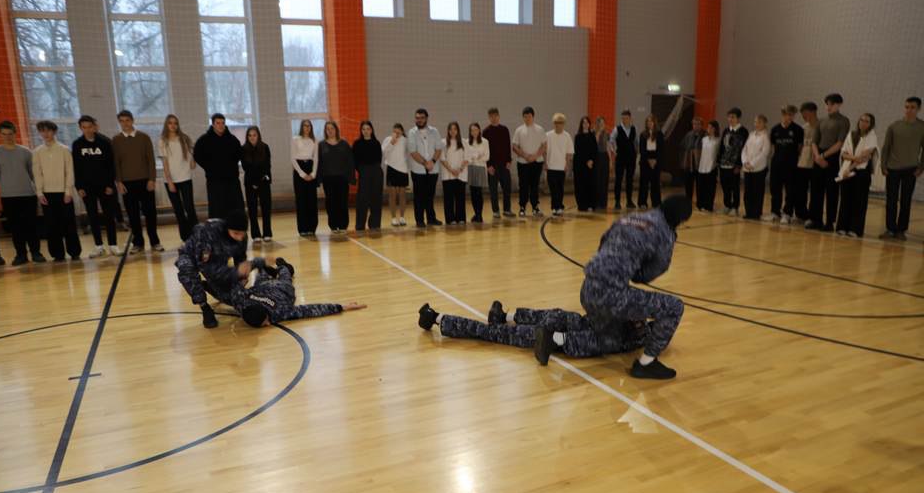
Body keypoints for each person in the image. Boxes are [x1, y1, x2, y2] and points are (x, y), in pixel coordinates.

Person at [579, 195, 692, 379]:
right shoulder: (665, 232)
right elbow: (652, 271)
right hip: (611, 296)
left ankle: (554, 338)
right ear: (680, 220)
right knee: (674, 307)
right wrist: (633, 272)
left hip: (588, 288)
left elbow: (604, 242)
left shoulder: (632, 217)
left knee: (611, 340)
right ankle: (646, 364)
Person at [418, 300, 648, 365]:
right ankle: (505, 316)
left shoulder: (619, 338)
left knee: (491, 332)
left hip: (553, 338)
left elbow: (585, 343)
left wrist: (553, 340)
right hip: (574, 323)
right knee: (553, 314)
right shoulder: (636, 327)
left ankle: (436, 318)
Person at [235, 256, 366, 327]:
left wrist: (342, 307)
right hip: (266, 287)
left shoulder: (279, 312)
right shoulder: (242, 301)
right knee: (268, 273)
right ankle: (281, 267)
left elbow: (310, 310)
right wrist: (241, 284)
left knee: (284, 275)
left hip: (281, 288)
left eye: (266, 321)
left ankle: (282, 267)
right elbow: (234, 291)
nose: (268, 324)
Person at [175, 211, 249, 328]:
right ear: (227, 229)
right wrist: (228, 275)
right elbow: (206, 266)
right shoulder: (208, 232)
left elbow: (240, 258)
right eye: (236, 233)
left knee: (229, 297)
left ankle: (209, 287)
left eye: (242, 234)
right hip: (192, 255)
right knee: (187, 273)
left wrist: (241, 278)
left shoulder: (241, 237)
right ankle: (205, 307)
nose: (240, 238)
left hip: (217, 260)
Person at [0, 121, 44, 265]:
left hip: (28, 194)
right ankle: (20, 255)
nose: (7, 137)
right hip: (8, 196)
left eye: (10, 134)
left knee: (31, 226)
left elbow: (32, 173)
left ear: (15, 133)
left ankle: (36, 253)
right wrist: (8, 185)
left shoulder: (26, 152)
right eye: (4, 134)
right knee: (15, 228)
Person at [112, 110, 163, 254]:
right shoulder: (116, 140)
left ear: (132, 120)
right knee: (133, 215)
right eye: (122, 121)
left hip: (145, 181)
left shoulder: (144, 137)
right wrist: (119, 182)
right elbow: (116, 163)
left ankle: (155, 241)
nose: (125, 123)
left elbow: (150, 160)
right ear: (119, 122)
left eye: (127, 120)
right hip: (127, 183)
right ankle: (138, 243)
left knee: (150, 213)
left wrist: (152, 179)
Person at [33, 120, 81, 261]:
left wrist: (68, 191)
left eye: (48, 130)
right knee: (51, 225)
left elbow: (70, 171)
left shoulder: (64, 149)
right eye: (42, 131)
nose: (45, 133)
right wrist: (39, 193)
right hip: (46, 194)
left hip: (64, 193)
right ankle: (57, 254)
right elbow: (37, 173)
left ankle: (74, 251)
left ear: (54, 131)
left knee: (69, 224)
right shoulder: (37, 152)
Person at [72, 115, 119, 257]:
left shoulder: (105, 142)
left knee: (109, 216)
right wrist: (79, 187)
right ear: (80, 128)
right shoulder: (77, 144)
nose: (87, 130)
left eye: (89, 127)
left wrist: (110, 184)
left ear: (94, 127)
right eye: (84, 127)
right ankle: (98, 246)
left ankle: (113, 245)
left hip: (105, 186)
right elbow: (76, 167)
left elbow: (111, 165)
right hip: (87, 188)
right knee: (92, 217)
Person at [879, 97, 924, 241]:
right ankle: (890, 229)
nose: (909, 110)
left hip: (911, 169)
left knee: (906, 201)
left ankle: (901, 230)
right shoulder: (894, 126)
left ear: (919, 109)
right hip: (892, 169)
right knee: (891, 200)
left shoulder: (922, 127)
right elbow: (886, 147)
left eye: (912, 107)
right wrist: (883, 165)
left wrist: (921, 167)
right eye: (907, 107)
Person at [807, 93, 850, 231]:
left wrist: (823, 156)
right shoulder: (821, 121)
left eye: (832, 104)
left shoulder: (843, 121)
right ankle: (815, 219)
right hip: (818, 156)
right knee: (816, 190)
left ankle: (830, 222)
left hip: (833, 157)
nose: (828, 107)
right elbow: (814, 141)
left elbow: (840, 143)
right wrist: (817, 156)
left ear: (839, 105)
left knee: (831, 191)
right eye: (827, 104)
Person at [194, 113, 245, 219]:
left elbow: (239, 155)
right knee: (217, 209)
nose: (221, 125)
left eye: (223, 123)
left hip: (232, 180)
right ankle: (217, 228)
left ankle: (234, 228)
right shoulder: (204, 140)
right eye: (218, 123)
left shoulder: (232, 139)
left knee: (235, 207)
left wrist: (230, 166)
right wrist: (209, 167)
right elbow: (197, 156)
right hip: (215, 181)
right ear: (213, 124)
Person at [836, 113, 878, 238]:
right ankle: (842, 227)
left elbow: (865, 156)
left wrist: (850, 167)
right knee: (845, 199)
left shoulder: (872, 137)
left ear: (871, 124)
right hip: (847, 170)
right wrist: (853, 160)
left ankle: (855, 229)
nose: (863, 123)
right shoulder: (851, 134)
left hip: (862, 172)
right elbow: (843, 153)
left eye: (867, 121)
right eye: (862, 120)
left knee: (859, 201)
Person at [159, 114, 199, 241]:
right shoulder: (162, 141)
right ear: (166, 125)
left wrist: (193, 157)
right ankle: (185, 238)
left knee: (190, 209)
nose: (173, 125)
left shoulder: (184, 139)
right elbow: (165, 164)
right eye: (170, 123)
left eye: (175, 123)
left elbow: (192, 165)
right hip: (171, 181)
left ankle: (197, 236)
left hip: (185, 178)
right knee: (179, 211)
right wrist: (170, 182)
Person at [407, 108, 443, 227]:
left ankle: (431, 219)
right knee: (419, 197)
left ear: (426, 118)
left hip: (433, 168)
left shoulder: (435, 131)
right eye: (417, 118)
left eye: (422, 118)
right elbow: (413, 151)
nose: (419, 120)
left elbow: (438, 148)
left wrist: (432, 161)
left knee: (430, 196)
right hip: (418, 170)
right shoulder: (411, 133)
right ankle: (420, 220)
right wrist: (425, 163)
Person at [317, 121, 354, 234]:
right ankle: (333, 225)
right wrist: (319, 180)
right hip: (328, 179)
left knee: (342, 202)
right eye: (327, 129)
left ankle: (343, 225)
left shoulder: (344, 144)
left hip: (342, 179)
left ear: (336, 130)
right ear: (325, 131)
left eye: (332, 128)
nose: (330, 131)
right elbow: (319, 163)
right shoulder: (321, 145)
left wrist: (351, 178)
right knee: (331, 203)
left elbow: (350, 161)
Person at [769, 105, 805, 224]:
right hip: (776, 164)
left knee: (790, 190)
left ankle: (787, 213)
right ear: (783, 114)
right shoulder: (775, 129)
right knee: (775, 189)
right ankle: (775, 212)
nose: (790, 117)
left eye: (792, 115)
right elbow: (773, 147)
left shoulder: (798, 130)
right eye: (788, 115)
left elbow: (800, 148)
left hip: (791, 165)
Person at [512, 106, 547, 217]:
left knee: (535, 185)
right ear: (523, 117)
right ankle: (522, 207)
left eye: (529, 116)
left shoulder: (540, 129)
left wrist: (535, 156)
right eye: (525, 116)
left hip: (537, 162)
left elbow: (544, 146)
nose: (527, 118)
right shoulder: (519, 130)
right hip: (523, 163)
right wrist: (525, 155)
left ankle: (535, 207)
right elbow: (514, 146)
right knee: (523, 185)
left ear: (533, 116)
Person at [242, 126, 272, 242]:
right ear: (247, 137)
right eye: (250, 135)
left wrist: (260, 180)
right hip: (250, 184)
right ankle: (256, 235)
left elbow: (267, 166)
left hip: (263, 182)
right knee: (252, 209)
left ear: (258, 135)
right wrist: (254, 182)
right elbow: (246, 167)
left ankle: (267, 233)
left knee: (266, 208)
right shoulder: (243, 149)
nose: (252, 137)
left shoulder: (265, 147)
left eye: (254, 135)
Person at [482, 107, 514, 218]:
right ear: (489, 117)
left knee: (507, 188)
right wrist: (488, 165)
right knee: (493, 190)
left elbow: (508, 146)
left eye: (495, 116)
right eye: (491, 116)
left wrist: (509, 160)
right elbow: (484, 150)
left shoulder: (504, 129)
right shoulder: (486, 132)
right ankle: (495, 211)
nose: (493, 118)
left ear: (498, 116)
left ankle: (507, 210)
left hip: (504, 165)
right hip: (492, 166)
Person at [791, 102, 819, 224]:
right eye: (802, 114)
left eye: (806, 114)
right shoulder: (803, 128)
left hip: (814, 163)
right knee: (800, 190)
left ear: (813, 112)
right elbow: (799, 146)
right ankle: (800, 214)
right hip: (802, 163)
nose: (804, 116)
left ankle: (812, 216)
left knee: (815, 192)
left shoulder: (820, 126)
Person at [353, 120, 383, 232]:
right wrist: (362, 171)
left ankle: (374, 224)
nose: (366, 131)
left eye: (368, 129)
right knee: (362, 200)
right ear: (361, 131)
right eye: (363, 129)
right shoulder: (357, 144)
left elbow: (379, 159)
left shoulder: (376, 143)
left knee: (376, 199)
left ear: (371, 130)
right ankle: (360, 225)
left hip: (376, 173)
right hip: (364, 173)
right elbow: (354, 161)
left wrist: (373, 170)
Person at [717, 107, 748, 215]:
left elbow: (744, 149)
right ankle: (727, 205)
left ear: (738, 118)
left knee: (734, 186)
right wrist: (719, 160)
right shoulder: (726, 130)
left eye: (733, 117)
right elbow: (722, 146)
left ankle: (735, 207)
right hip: (724, 163)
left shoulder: (743, 131)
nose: (730, 119)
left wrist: (739, 164)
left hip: (734, 165)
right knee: (725, 186)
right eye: (729, 117)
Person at [291, 119, 318, 236]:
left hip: (310, 169)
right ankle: (302, 228)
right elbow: (292, 158)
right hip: (299, 170)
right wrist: (302, 174)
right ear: (301, 127)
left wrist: (313, 174)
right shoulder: (295, 139)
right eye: (305, 126)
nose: (307, 128)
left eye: (309, 126)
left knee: (311, 201)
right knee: (301, 201)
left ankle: (312, 228)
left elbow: (316, 158)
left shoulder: (314, 140)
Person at [741, 114, 771, 220]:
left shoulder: (765, 136)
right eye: (755, 122)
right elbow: (744, 149)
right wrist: (745, 162)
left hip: (759, 169)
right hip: (747, 168)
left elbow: (764, 153)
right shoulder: (751, 134)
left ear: (764, 123)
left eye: (759, 122)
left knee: (757, 192)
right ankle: (748, 212)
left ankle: (756, 213)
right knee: (748, 192)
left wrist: (752, 164)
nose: (756, 124)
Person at [545, 113, 574, 216]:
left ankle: (560, 206)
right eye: (556, 122)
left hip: (561, 167)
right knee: (553, 188)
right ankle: (554, 207)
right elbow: (544, 151)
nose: (558, 124)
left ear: (564, 124)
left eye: (560, 122)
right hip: (550, 166)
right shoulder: (548, 135)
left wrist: (567, 164)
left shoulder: (567, 136)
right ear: (553, 123)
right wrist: (545, 163)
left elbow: (569, 152)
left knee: (560, 188)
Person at [440, 121, 468, 225]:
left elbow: (467, 157)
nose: (453, 131)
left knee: (460, 197)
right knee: (448, 198)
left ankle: (461, 218)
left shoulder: (464, 142)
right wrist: (451, 170)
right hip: (448, 175)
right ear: (448, 131)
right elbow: (442, 158)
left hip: (461, 174)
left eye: (455, 129)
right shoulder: (443, 142)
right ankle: (450, 218)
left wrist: (459, 169)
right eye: (451, 129)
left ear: (458, 130)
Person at [383, 123, 409, 226]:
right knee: (392, 195)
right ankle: (393, 218)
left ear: (402, 131)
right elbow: (384, 152)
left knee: (402, 195)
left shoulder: (406, 141)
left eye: (399, 131)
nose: (397, 133)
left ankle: (402, 217)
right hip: (391, 169)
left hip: (403, 170)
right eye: (395, 131)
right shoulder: (388, 139)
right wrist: (392, 142)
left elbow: (410, 153)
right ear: (393, 131)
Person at [611, 110, 638, 210]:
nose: (624, 120)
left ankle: (629, 201)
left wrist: (636, 153)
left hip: (631, 158)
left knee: (630, 180)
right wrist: (614, 151)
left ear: (630, 118)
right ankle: (617, 202)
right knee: (618, 180)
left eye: (626, 118)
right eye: (623, 118)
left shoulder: (634, 129)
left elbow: (636, 142)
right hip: (620, 158)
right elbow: (611, 140)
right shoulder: (617, 129)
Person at [638, 114, 665, 209]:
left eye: (651, 121)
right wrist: (649, 160)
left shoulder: (659, 134)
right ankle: (642, 202)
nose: (649, 123)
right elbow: (642, 149)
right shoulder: (643, 134)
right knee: (644, 183)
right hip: (645, 160)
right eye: (648, 121)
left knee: (655, 183)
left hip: (656, 160)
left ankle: (656, 202)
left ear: (654, 123)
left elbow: (661, 149)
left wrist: (655, 160)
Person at [466, 122, 490, 223]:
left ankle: (480, 215)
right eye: (472, 130)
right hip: (470, 168)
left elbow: (486, 156)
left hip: (480, 168)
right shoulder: (467, 142)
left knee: (479, 192)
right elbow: (467, 156)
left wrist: (475, 157)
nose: (474, 132)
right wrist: (477, 157)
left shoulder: (485, 141)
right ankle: (476, 213)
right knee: (473, 193)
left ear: (479, 130)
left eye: (476, 130)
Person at [573, 115, 597, 212]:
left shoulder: (592, 136)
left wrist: (591, 160)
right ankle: (582, 205)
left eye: (587, 122)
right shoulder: (578, 136)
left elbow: (595, 150)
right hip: (580, 165)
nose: (585, 124)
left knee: (590, 185)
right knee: (581, 185)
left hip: (590, 165)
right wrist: (586, 161)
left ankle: (590, 204)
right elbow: (578, 151)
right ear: (581, 124)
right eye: (584, 122)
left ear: (589, 124)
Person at [696, 120, 721, 212]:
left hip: (711, 167)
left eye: (711, 127)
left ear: (715, 129)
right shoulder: (704, 139)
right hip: (702, 166)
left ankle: (708, 206)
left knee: (710, 188)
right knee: (701, 187)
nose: (709, 129)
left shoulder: (718, 140)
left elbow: (718, 154)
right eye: (708, 127)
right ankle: (700, 205)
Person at [680, 117, 705, 206]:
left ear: (701, 125)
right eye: (694, 124)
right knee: (688, 184)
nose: (696, 126)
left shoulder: (705, 135)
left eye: (698, 124)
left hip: (700, 163)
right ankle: (688, 201)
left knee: (700, 184)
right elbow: (682, 146)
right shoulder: (689, 134)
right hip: (689, 163)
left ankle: (700, 202)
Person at [594, 116, 612, 211]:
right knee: (597, 180)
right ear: (597, 124)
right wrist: (599, 132)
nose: (602, 125)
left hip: (605, 157)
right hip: (597, 156)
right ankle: (596, 203)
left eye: (603, 123)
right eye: (600, 123)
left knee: (604, 181)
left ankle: (603, 203)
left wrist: (611, 161)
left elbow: (608, 146)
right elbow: (595, 143)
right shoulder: (593, 132)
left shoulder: (607, 133)